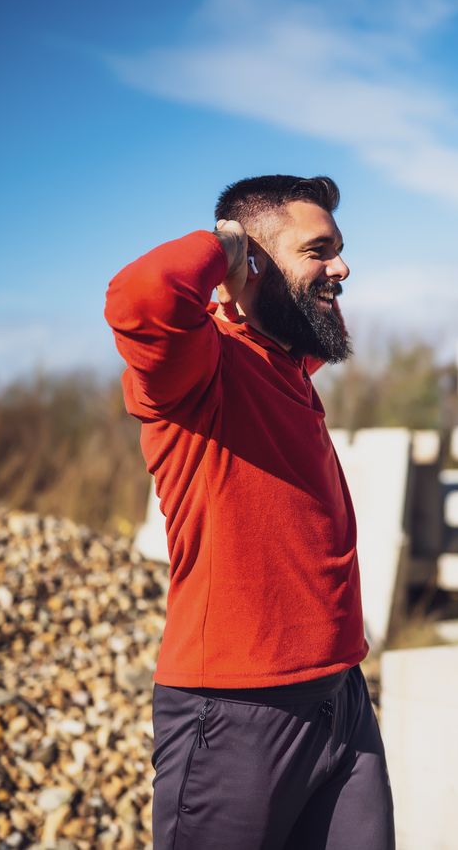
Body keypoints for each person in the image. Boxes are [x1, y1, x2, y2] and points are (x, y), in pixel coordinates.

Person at [104, 175, 395, 850]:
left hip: (340, 700)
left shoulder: (289, 365)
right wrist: (225, 245)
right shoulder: (198, 367)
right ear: (250, 261)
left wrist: (290, 279)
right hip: (236, 712)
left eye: (341, 249)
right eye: (318, 249)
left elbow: (317, 325)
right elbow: (138, 297)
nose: (342, 266)